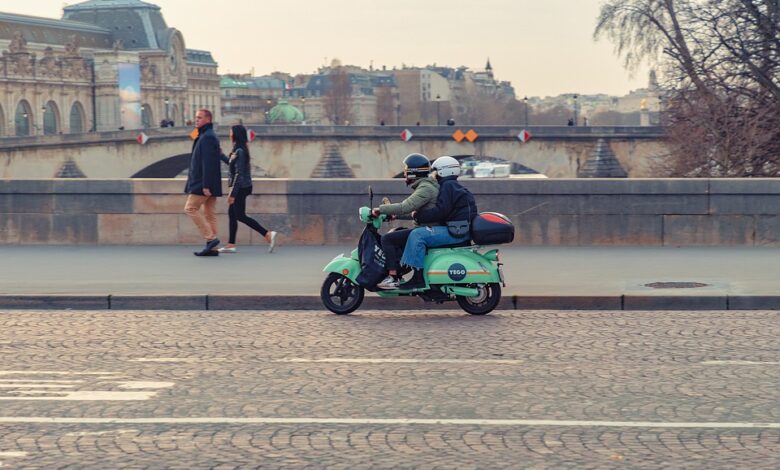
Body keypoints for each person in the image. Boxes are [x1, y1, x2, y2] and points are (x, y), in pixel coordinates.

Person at [399, 156, 478, 289]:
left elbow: (441, 211)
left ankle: (418, 278)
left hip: (456, 232)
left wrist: (419, 217)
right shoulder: (453, 186)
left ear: (443, 171)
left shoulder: (448, 186)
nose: (432, 174)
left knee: (418, 235)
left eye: (434, 171)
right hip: (459, 229)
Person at [373, 153, 439, 289]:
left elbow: (405, 207)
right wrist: (395, 216)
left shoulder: (425, 188)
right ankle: (399, 271)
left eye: (406, 170)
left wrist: (380, 210)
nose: (405, 173)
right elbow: (416, 213)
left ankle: (393, 277)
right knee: (397, 232)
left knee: (388, 239)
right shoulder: (426, 185)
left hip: (426, 229)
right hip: (426, 227)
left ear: (414, 172)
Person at [218, 125, 278, 253]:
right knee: (232, 214)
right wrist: (221, 155)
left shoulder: (240, 151)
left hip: (241, 187)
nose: (229, 134)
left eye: (230, 132)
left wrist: (233, 194)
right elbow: (231, 164)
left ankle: (267, 234)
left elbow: (239, 174)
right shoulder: (238, 149)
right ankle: (231, 244)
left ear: (235, 134)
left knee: (240, 215)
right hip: (241, 186)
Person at [184, 109, 223, 256]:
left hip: (202, 182)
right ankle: (212, 248)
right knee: (209, 214)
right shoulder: (206, 135)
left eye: (199, 118)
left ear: (208, 119)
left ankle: (211, 238)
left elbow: (208, 163)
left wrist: (206, 185)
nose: (196, 120)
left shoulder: (207, 137)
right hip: (209, 181)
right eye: (196, 117)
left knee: (190, 208)